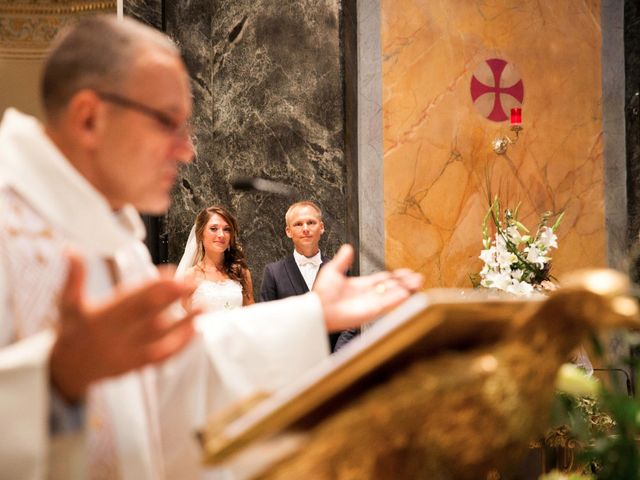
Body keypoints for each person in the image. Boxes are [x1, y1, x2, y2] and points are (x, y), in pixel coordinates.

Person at [0, 15, 422, 480]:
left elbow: (172, 384)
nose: (187, 151)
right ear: (89, 117)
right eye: (167, 123)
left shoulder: (118, 243)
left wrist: (310, 315)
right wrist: (56, 379)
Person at [260, 201, 345, 349]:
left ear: (322, 227)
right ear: (288, 231)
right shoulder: (273, 273)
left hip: (334, 364)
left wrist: (337, 360)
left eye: (311, 222)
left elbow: (348, 324)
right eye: (298, 224)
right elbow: (266, 323)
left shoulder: (337, 270)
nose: (305, 229)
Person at [177, 205, 254, 312]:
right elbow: (184, 320)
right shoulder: (190, 276)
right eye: (213, 229)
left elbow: (251, 314)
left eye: (227, 229)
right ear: (200, 234)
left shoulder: (241, 272)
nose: (221, 234)